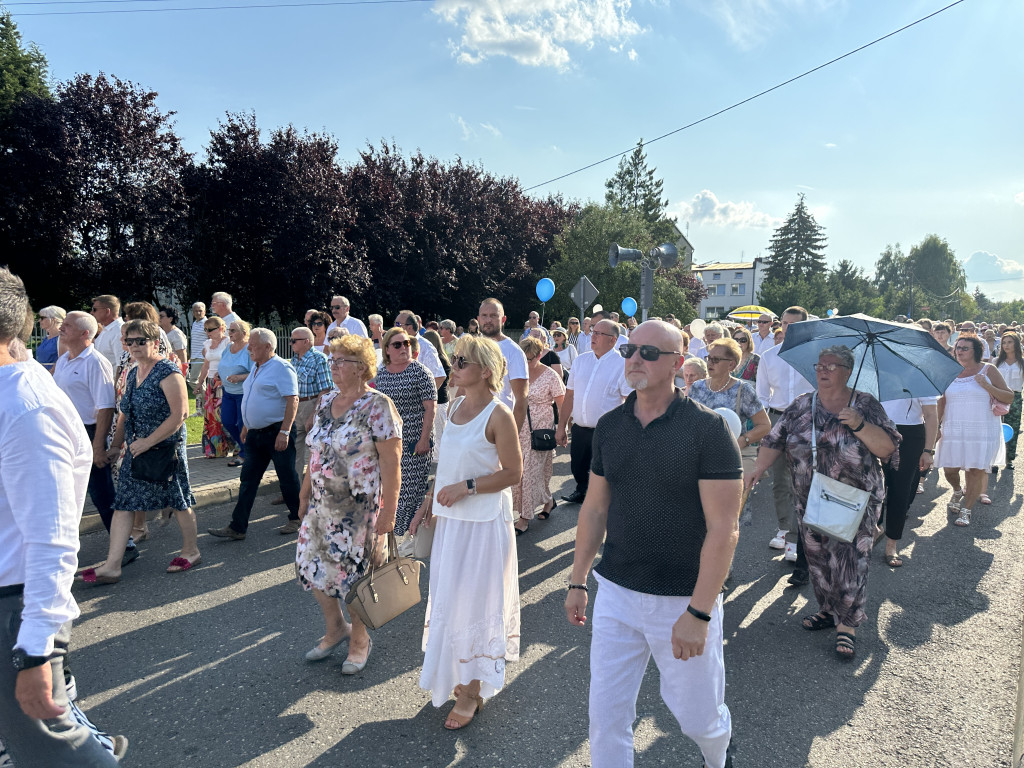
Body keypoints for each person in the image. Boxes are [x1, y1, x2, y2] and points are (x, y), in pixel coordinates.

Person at [565, 320, 741, 768]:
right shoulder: (610, 426)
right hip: (617, 592)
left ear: (678, 364)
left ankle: (719, 754)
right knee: (606, 717)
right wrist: (578, 580)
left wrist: (700, 612)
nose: (635, 360)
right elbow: (594, 509)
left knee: (697, 719)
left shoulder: (708, 431)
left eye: (648, 352)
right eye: (629, 351)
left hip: (682, 598)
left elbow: (724, 528)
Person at [0, 269, 126, 766]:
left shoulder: (26, 407)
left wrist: (36, 653)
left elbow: (53, 542)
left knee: (55, 754)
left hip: (14, 604)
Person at [746, 345, 900, 659]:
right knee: (818, 558)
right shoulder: (802, 404)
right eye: (820, 365)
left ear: (848, 371)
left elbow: (886, 448)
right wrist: (757, 469)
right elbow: (775, 439)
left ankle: (848, 625)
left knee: (848, 561)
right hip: (810, 496)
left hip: (855, 499)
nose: (823, 370)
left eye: (833, 365)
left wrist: (858, 424)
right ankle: (829, 610)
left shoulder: (865, 404)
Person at [409, 335, 523, 730]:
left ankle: (472, 690)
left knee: (478, 606)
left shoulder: (498, 413)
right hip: (452, 522)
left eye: (460, 362)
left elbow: (513, 473)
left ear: (485, 372)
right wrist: (430, 499)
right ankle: (459, 674)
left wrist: (468, 487)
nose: (452, 367)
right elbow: (448, 465)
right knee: (451, 600)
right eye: (454, 360)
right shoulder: (454, 406)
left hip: (484, 525)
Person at [296, 335, 401, 674]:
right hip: (320, 505)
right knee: (311, 568)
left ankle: (360, 639)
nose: (334, 367)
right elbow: (316, 452)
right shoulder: (326, 401)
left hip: (359, 511)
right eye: (333, 360)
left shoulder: (378, 405)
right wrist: (302, 492)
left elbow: (391, 463)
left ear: (361, 368)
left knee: (355, 578)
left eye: (342, 361)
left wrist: (389, 513)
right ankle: (335, 628)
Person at [77, 319, 202, 583]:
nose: (134, 346)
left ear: (155, 343)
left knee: (179, 500)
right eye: (129, 341)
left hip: (166, 449)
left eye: (140, 341)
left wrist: (149, 441)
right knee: (124, 504)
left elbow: (180, 414)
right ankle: (112, 565)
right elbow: (125, 414)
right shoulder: (134, 372)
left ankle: (191, 551)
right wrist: (115, 446)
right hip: (136, 449)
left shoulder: (168, 371)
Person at [207, 328, 301, 540]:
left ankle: (297, 517)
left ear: (268, 347)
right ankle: (237, 527)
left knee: (287, 477)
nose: (249, 349)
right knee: (248, 479)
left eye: (254, 346)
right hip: (255, 435)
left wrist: (284, 431)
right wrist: (246, 426)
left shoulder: (281, 368)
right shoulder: (257, 367)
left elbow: (292, 400)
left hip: (277, 432)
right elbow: (251, 397)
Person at [755, 306, 814, 571]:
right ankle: (783, 527)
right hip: (778, 419)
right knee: (780, 479)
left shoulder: (814, 356)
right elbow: (761, 394)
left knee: (803, 479)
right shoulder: (769, 356)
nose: (789, 328)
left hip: (808, 420)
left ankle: (797, 536)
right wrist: (767, 427)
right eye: (786, 324)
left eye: (795, 324)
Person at [52, 312, 118, 545]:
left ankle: (124, 544)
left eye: (67, 325)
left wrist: (98, 446)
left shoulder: (96, 362)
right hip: (64, 432)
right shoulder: (64, 360)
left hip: (88, 433)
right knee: (66, 490)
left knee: (101, 492)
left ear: (85, 333)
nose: (61, 328)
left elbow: (106, 407)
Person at [935, 335, 1012, 526]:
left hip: (981, 430)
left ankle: (966, 509)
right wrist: (936, 427)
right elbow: (941, 403)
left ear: (976, 351)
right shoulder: (949, 372)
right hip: (953, 429)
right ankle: (957, 490)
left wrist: (986, 385)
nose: (959, 351)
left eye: (965, 348)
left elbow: (1009, 396)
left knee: (975, 470)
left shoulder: (989, 370)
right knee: (949, 469)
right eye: (958, 347)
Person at [555, 319, 631, 504]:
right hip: (580, 428)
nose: (593, 336)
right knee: (578, 467)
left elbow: (629, 402)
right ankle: (582, 491)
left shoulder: (621, 365)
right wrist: (562, 425)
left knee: (603, 471)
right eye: (593, 331)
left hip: (607, 431)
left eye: (599, 333)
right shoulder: (581, 361)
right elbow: (569, 395)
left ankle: (603, 502)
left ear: (613, 340)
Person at [373, 327, 437, 536]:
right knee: (390, 488)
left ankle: (411, 535)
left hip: (415, 440)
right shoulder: (381, 374)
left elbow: (431, 408)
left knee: (411, 490)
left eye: (407, 343)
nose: (404, 348)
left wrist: (424, 439)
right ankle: (392, 534)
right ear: (387, 350)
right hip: (389, 442)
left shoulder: (419, 371)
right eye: (398, 344)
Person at [688, 338, 771, 482]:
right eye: (709, 358)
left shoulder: (742, 390)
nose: (710, 363)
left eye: (716, 359)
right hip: (700, 457)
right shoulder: (697, 387)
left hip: (732, 459)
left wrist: (743, 440)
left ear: (731, 364)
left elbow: (765, 425)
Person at [512, 336, 565, 534]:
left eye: (530, 359)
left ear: (539, 355)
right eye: (523, 358)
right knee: (520, 473)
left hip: (540, 430)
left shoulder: (550, 375)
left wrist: (562, 430)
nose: (526, 363)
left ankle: (524, 518)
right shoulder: (516, 373)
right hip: (518, 428)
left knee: (530, 474)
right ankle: (549, 500)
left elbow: (561, 404)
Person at [879, 395, 937, 566]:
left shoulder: (919, 374)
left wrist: (928, 450)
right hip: (875, 430)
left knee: (900, 490)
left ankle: (892, 544)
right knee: (873, 488)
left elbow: (931, 415)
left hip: (910, 436)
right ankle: (871, 533)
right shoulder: (874, 370)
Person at [287, 328, 333, 516]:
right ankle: (296, 493)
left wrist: (313, 413)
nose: (291, 344)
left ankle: (317, 493)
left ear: (306, 341)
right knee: (294, 452)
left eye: (294, 341)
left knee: (316, 452)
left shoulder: (319, 359)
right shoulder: (294, 360)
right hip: (296, 406)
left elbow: (326, 389)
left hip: (311, 405)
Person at [476, 299, 529, 433]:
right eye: (484, 315)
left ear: (503, 319)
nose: (488, 320)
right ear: (478, 319)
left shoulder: (514, 352)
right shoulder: (472, 348)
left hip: (499, 427)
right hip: (473, 427)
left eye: (494, 315)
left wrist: (512, 436)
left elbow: (521, 400)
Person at [196, 316, 237, 459]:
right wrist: (199, 382)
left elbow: (232, 361)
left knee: (225, 415)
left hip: (224, 382)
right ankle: (217, 449)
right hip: (211, 383)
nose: (208, 332)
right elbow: (206, 365)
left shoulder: (228, 342)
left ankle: (236, 445)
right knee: (211, 416)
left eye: (210, 329)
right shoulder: (207, 344)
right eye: (206, 330)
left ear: (221, 328)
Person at [219, 320, 253, 468]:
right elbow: (223, 365)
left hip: (243, 393)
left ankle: (245, 454)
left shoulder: (248, 349)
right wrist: (219, 376)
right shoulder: (228, 348)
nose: (229, 333)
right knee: (226, 421)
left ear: (244, 333)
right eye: (229, 330)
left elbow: (255, 371)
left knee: (241, 424)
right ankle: (246, 447)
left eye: (233, 330)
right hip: (228, 391)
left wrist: (239, 377)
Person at [996, 332, 1024, 470]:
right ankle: (994, 459)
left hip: (1015, 397)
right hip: (997, 396)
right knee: (995, 428)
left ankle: (1009, 459)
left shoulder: (1022, 362)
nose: (1006, 345)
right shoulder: (996, 362)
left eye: (1010, 342)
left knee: (1012, 427)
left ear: (1016, 344)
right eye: (1004, 342)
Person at [89, 294, 124, 371]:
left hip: (112, 381)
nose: (91, 312)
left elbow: (122, 364)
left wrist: (116, 383)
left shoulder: (119, 331)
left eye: (95, 309)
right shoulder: (106, 329)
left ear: (107, 311)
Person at [35, 305, 66, 373]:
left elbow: (62, 361)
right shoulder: (46, 338)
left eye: (42, 318)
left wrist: (48, 376)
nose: (39, 320)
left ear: (53, 319)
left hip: (53, 377)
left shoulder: (62, 338)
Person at [158, 306, 188, 373]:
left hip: (174, 370)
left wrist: (183, 372)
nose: (158, 318)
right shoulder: (161, 332)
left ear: (170, 319)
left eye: (161, 316)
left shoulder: (177, 334)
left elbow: (182, 355)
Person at [187, 302, 207, 396]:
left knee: (193, 380)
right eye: (196, 311)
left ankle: (206, 400)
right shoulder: (195, 323)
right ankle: (202, 409)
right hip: (194, 356)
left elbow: (211, 339)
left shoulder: (207, 324)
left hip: (201, 357)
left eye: (200, 311)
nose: (198, 313)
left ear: (205, 311)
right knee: (201, 382)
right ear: (193, 312)